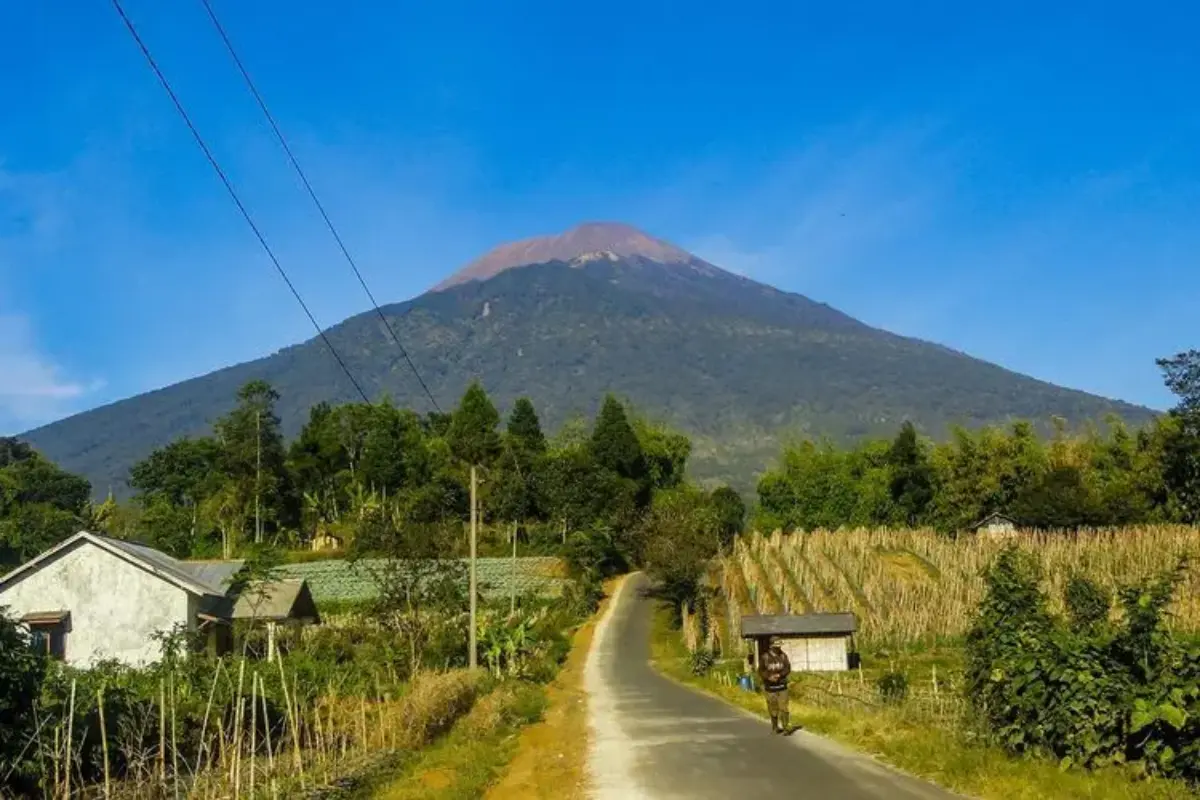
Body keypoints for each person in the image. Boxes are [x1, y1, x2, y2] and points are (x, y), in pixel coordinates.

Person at [757, 636, 792, 734]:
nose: (778, 648)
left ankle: (786, 727)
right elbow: (761, 671)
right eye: (776, 646)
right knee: (773, 708)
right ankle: (775, 727)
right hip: (770, 688)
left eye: (779, 646)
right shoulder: (765, 657)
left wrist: (780, 675)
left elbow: (787, 668)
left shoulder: (783, 656)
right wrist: (768, 677)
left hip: (782, 686)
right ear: (771, 646)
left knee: (784, 707)